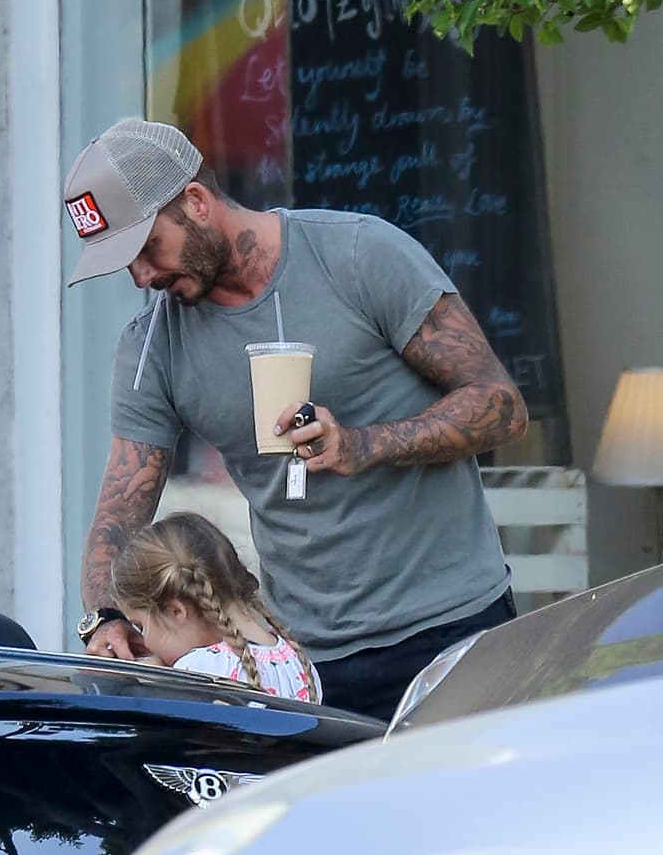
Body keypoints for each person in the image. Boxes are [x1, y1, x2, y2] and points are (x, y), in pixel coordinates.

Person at [65, 118, 527, 721]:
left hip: (454, 632)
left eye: (146, 248)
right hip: (302, 663)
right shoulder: (152, 343)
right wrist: (105, 616)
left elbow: (500, 404)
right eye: (125, 264)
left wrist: (363, 444)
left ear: (197, 203)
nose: (142, 277)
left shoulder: (359, 255)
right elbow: (120, 510)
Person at [111, 511, 321, 703]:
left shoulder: (196, 673)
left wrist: (151, 680)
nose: (145, 642)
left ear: (176, 612)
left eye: (140, 626)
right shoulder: (301, 664)